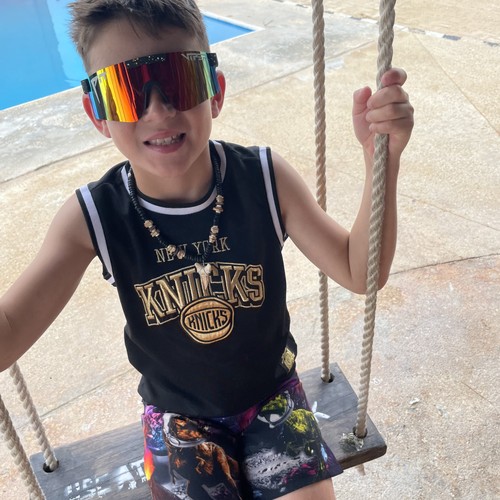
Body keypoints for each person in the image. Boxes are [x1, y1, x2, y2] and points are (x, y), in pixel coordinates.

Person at [0, 0, 413, 498]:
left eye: (178, 80)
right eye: (126, 91)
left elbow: (358, 270)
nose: (158, 110)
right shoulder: (93, 217)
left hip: (273, 397)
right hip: (178, 417)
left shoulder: (265, 179)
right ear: (97, 113)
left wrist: (381, 160)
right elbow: (8, 335)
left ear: (214, 90)